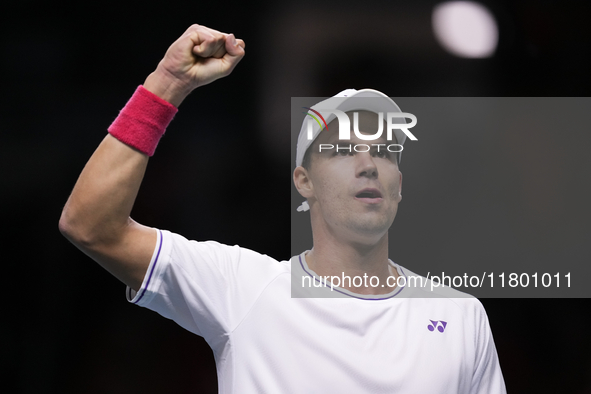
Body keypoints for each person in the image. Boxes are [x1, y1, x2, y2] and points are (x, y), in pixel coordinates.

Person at [59, 23, 506, 393]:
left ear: (399, 185)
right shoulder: (242, 288)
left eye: (386, 152)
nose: (369, 164)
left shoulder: (460, 316)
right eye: (344, 150)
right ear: (303, 182)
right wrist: (168, 84)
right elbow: (90, 225)